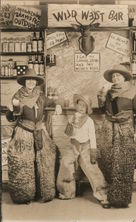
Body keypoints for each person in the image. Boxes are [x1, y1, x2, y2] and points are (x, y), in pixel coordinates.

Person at [6, 68, 62, 204]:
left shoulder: (40, 96)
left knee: (43, 161)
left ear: (36, 82)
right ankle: (24, 194)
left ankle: (43, 192)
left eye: (33, 80)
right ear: (24, 82)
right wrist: (11, 110)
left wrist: (58, 105)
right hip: (23, 131)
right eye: (28, 80)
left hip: (39, 131)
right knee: (24, 163)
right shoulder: (17, 97)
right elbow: (10, 117)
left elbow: (51, 103)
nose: (30, 82)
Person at [97, 64, 136, 208]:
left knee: (124, 165)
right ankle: (110, 198)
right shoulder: (109, 92)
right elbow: (102, 110)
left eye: (118, 76)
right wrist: (102, 97)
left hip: (127, 129)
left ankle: (123, 199)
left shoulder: (133, 91)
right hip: (110, 129)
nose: (115, 78)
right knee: (109, 162)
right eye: (113, 77)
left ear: (124, 77)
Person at [56, 94, 107, 207]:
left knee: (91, 167)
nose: (81, 107)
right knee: (65, 162)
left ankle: (103, 194)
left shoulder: (89, 121)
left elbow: (92, 136)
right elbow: (68, 134)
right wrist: (69, 123)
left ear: (87, 108)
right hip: (73, 144)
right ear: (76, 106)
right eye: (79, 105)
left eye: (84, 106)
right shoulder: (73, 117)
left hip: (86, 146)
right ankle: (67, 192)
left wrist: (93, 151)